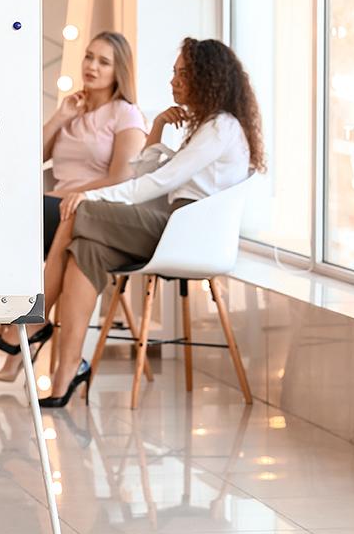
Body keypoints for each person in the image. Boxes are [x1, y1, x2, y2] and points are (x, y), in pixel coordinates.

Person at [39, 37, 265, 407]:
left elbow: (159, 182)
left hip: (186, 234)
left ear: (206, 78)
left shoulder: (220, 127)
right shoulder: (208, 125)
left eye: (182, 74)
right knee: (87, 249)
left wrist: (89, 195)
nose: (173, 81)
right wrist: (158, 124)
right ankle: (66, 375)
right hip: (176, 226)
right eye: (173, 73)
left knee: (79, 210)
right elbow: (141, 171)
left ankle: (35, 319)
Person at [0, 32, 145, 361]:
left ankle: (23, 326)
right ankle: (24, 333)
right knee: (8, 217)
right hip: (54, 208)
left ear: (119, 71)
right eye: (89, 57)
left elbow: (121, 178)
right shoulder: (74, 110)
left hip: (88, 210)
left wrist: (73, 194)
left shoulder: (125, 114)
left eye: (103, 61)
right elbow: (31, 162)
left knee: (11, 219)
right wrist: (60, 117)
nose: (92, 67)